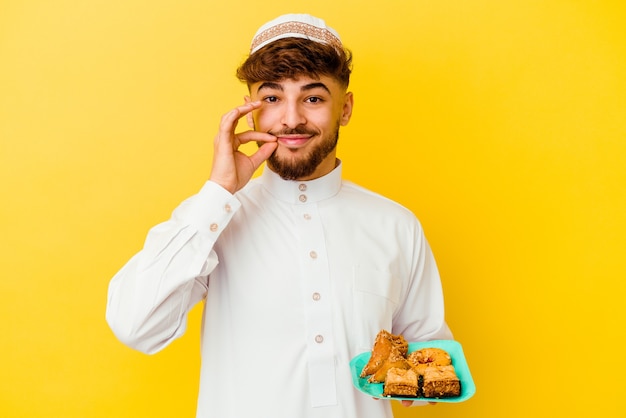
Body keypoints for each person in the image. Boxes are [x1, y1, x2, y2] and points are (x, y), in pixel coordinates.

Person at [106, 13, 453, 418]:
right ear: (250, 110)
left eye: (313, 97)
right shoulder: (214, 219)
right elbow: (134, 325)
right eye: (271, 98)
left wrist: (425, 381)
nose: (291, 119)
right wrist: (218, 193)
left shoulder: (396, 225)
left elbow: (430, 347)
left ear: (345, 108)